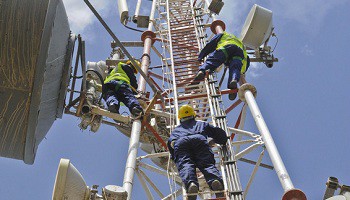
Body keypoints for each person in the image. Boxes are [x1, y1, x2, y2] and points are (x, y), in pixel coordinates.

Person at [167, 105, 228, 200]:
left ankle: (191, 184)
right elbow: (216, 132)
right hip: (199, 139)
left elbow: (171, 144)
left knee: (185, 165)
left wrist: (174, 157)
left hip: (180, 142)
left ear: (180, 118)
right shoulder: (200, 124)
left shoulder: (176, 130)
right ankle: (215, 180)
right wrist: (222, 140)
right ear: (193, 115)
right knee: (207, 164)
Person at [192, 31, 250, 100]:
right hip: (239, 52)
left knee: (213, 60)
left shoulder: (224, 34)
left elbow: (211, 44)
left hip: (227, 47)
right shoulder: (241, 44)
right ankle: (234, 80)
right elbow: (247, 60)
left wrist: (201, 56)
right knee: (235, 68)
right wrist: (241, 72)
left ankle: (202, 71)